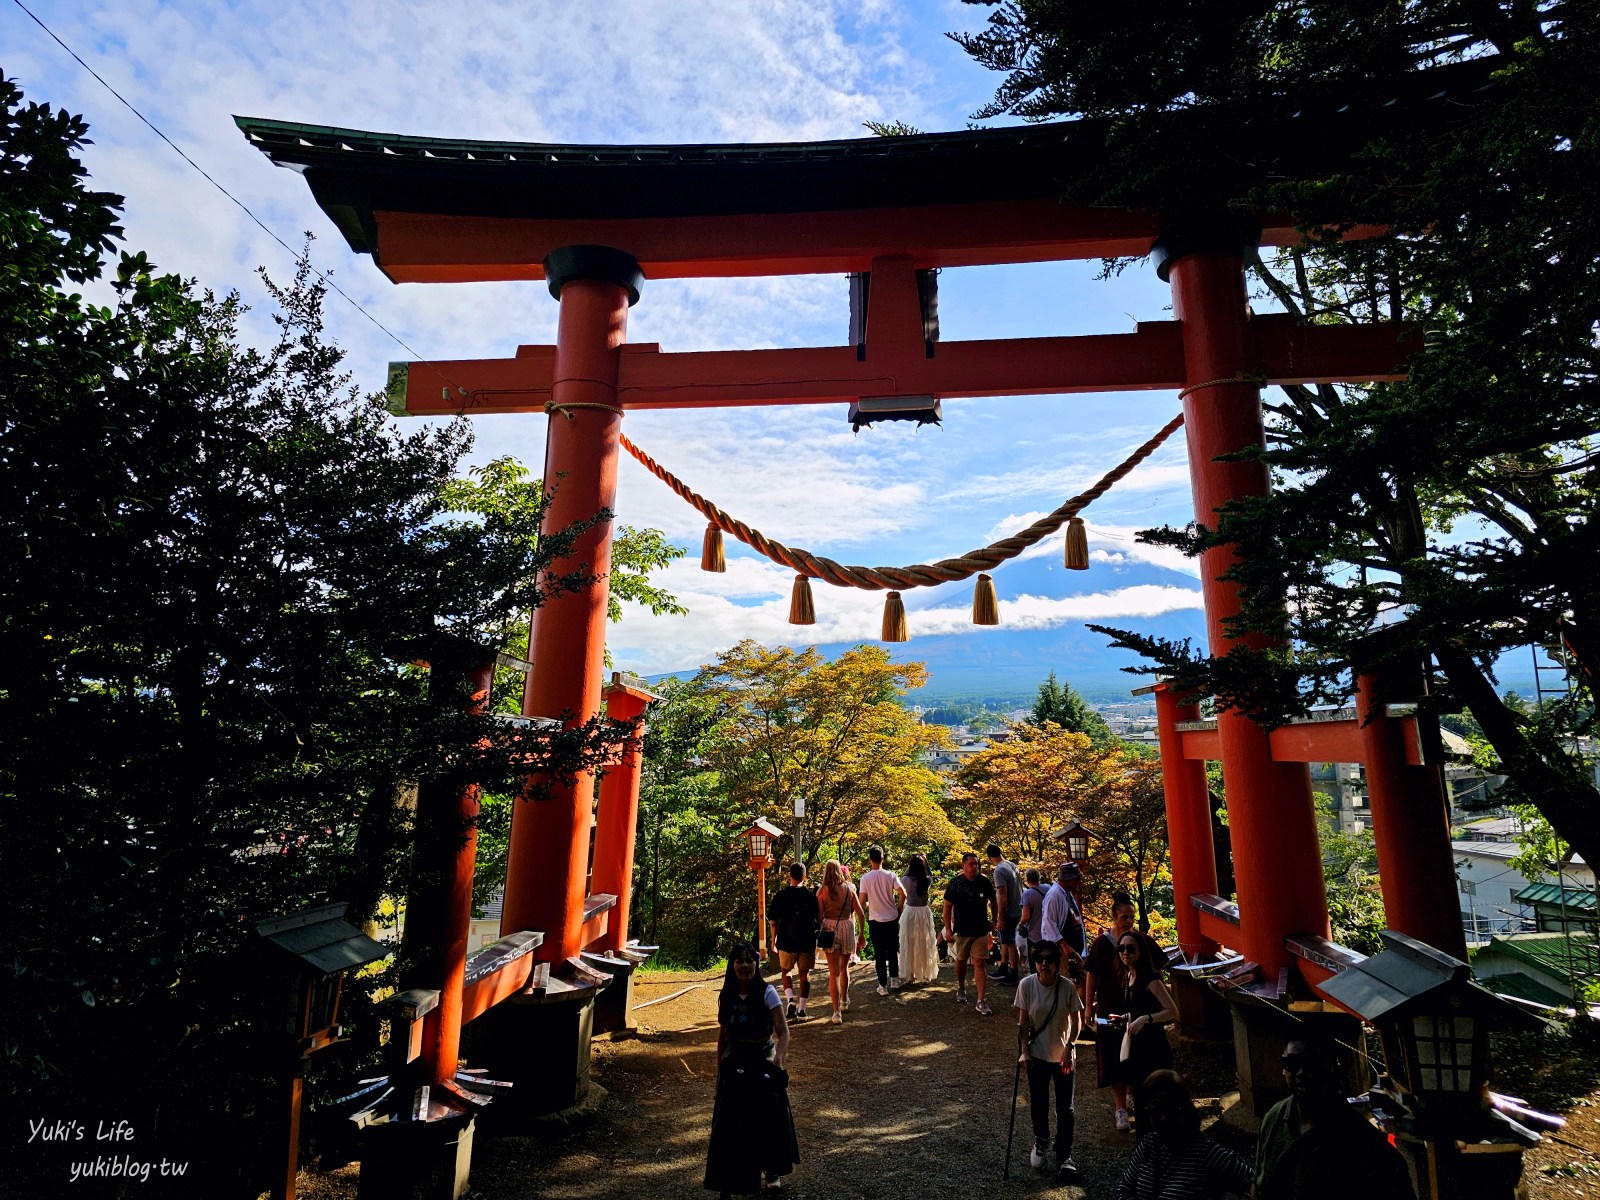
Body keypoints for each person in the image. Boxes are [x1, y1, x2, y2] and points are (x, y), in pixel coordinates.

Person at [1255, 1032, 1416, 1200]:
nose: (1301, 1073)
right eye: (1292, 1063)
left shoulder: (1366, 1145)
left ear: (1332, 1068)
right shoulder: (1274, 1119)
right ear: (1283, 1068)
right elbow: (1259, 1184)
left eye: (1312, 1064)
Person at [704, 941, 797, 1197]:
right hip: (736, 1060)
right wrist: (719, 1071)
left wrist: (778, 1058)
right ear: (732, 965)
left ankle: (772, 1171)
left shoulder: (768, 993)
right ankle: (731, 1178)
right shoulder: (727, 995)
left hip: (762, 1057)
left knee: (767, 1118)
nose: (744, 966)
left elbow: (783, 1032)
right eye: (739, 961)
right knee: (733, 1122)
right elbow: (723, 1036)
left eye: (749, 961)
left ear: (756, 964)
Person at [1085, 892, 1163, 1131]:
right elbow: (1092, 974)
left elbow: (1157, 966)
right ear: (1114, 916)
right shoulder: (1103, 943)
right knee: (1113, 1055)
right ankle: (1119, 1107)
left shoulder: (1140, 941)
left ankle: (1132, 1094)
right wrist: (1089, 1005)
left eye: (1132, 916)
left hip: (1136, 1005)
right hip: (1110, 1005)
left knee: (1135, 1052)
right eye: (1124, 916)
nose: (1128, 921)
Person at [1115, 1070, 1253, 1200]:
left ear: (1184, 1108)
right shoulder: (1148, 1145)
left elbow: (1256, 1186)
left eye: (1169, 1109)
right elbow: (1125, 1188)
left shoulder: (1208, 1155)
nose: (1163, 1118)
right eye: (1155, 1112)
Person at [1015, 941, 1084, 1185]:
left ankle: (1064, 1154)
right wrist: (1024, 1052)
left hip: (1064, 1056)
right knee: (1039, 1102)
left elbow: (1078, 1022)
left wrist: (1070, 1046)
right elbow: (1023, 1023)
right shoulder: (1026, 985)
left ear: (1056, 963)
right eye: (1039, 959)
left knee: (1066, 1108)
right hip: (1037, 1054)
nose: (1044, 963)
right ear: (1034, 962)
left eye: (1049, 959)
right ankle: (1041, 1140)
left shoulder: (1066, 987)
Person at [1111, 930, 1177, 1115]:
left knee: (1157, 1104)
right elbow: (1140, 1008)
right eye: (1121, 948)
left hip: (1154, 1049)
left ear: (1141, 951)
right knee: (1141, 1102)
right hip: (1137, 1049)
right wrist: (1125, 1018)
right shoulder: (1129, 975)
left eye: (1131, 948)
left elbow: (1172, 1012)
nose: (1125, 953)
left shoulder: (1150, 978)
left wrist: (1146, 1019)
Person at [942, 851, 998, 1015]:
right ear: (963, 865)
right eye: (971, 864)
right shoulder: (955, 883)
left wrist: (994, 919)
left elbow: (993, 900)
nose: (975, 867)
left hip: (981, 929)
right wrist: (948, 928)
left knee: (980, 963)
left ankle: (981, 1000)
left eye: (977, 864)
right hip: (963, 929)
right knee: (961, 960)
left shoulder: (984, 882)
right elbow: (947, 907)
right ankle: (960, 986)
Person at [766, 861, 818, 1022]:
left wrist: (773, 940)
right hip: (807, 941)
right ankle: (802, 1009)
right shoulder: (810, 896)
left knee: (786, 971)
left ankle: (790, 1001)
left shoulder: (781, 896)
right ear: (804, 877)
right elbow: (817, 919)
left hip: (786, 940)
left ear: (790, 875)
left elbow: (773, 921)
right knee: (804, 974)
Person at [815, 859, 866, 1024]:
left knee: (833, 972)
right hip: (847, 927)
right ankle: (845, 999)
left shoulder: (822, 891)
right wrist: (862, 933)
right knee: (844, 968)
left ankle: (836, 1012)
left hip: (830, 928)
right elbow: (860, 913)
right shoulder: (850, 888)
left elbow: (819, 916)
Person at [858, 845, 906, 996]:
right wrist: (898, 908)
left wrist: (867, 906)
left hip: (875, 919)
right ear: (883, 859)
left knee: (879, 953)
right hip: (891, 917)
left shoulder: (865, 878)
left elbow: (861, 900)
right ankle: (895, 980)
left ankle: (882, 986)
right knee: (892, 950)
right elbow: (902, 893)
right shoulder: (890, 875)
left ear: (870, 860)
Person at [1040, 862, 1088, 975]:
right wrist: (1064, 946)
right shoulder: (1054, 895)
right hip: (1062, 951)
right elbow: (1049, 923)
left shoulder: (1066, 894)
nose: (1078, 882)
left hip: (1073, 950)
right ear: (1068, 879)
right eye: (1076, 879)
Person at [898, 852, 939, 984]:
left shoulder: (906, 880)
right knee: (924, 942)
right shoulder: (927, 880)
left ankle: (910, 975)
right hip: (923, 912)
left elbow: (903, 876)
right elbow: (929, 872)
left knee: (909, 943)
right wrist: (924, 861)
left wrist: (913, 863)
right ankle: (925, 975)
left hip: (910, 912)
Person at [986, 842, 1023, 986]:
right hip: (1017, 908)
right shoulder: (1011, 865)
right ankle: (1003, 968)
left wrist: (1000, 918)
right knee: (1005, 941)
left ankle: (1013, 974)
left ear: (990, 857)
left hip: (1008, 912)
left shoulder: (999, 871)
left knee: (1009, 942)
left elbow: (1002, 895)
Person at [1017, 867, 1050, 961]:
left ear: (1027, 879)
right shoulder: (1048, 888)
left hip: (1034, 934)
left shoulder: (1028, 894)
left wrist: (1020, 925)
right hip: (1049, 932)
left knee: (1036, 960)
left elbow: (1026, 917)